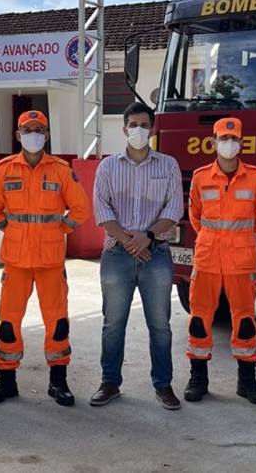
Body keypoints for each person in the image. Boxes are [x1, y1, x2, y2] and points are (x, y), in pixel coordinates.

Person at [0, 110, 89, 406]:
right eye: (28, 129)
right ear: (18, 135)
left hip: (50, 261)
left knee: (57, 321)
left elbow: (80, 210)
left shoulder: (61, 170)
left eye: (39, 129)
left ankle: (58, 382)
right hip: (16, 261)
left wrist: (59, 230)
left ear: (47, 134)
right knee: (9, 321)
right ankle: (6, 380)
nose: (34, 134)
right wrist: (13, 231)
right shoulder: (3, 170)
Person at [89, 102, 184, 410]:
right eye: (133, 124)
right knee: (113, 323)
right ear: (124, 128)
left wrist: (147, 238)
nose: (139, 130)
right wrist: (130, 241)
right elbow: (102, 211)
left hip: (156, 254)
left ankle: (163, 385)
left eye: (144, 124)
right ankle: (110, 382)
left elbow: (174, 209)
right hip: (117, 254)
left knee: (160, 324)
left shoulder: (168, 165)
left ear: (153, 129)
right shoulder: (108, 166)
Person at [183, 117, 256, 405]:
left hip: (241, 259)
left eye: (233, 139)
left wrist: (239, 239)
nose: (228, 144)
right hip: (207, 257)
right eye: (223, 139)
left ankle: (247, 381)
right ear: (213, 142)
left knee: (244, 320)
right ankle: (199, 378)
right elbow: (195, 216)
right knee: (199, 319)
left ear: (241, 142)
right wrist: (214, 238)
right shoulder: (200, 176)